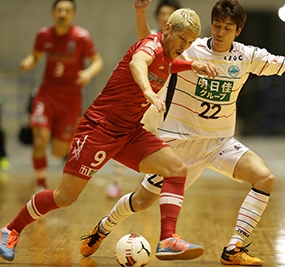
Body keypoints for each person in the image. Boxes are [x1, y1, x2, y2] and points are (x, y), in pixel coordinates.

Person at [81, 0, 285, 265]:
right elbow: (153, 50)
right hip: (180, 142)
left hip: (220, 142)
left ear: (238, 31)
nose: (220, 32)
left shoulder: (248, 56)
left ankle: (234, 248)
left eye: (228, 28)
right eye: (217, 25)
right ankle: (103, 228)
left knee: (265, 178)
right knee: (141, 201)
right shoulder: (191, 49)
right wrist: (141, 15)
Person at [0, 7, 219, 263]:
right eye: (182, 39)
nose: (185, 46)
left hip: (129, 131)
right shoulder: (150, 47)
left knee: (176, 168)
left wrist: (193, 63)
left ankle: (168, 239)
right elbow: (139, 63)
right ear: (167, 30)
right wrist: (148, 91)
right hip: (99, 129)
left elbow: (170, 64)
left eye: (191, 42)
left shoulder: (169, 55)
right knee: (65, 197)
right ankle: (11, 229)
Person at [19, 0, 103, 193]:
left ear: (72, 15)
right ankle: (40, 185)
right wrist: (27, 63)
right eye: (59, 10)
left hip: (70, 99)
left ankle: (57, 133)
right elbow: (35, 56)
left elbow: (97, 61)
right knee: (39, 140)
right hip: (46, 94)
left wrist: (88, 73)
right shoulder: (43, 35)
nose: (62, 14)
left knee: (58, 151)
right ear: (53, 13)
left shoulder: (82, 37)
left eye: (67, 11)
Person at [106, 0, 183, 199]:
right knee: (124, 136)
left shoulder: (183, 42)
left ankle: (146, 184)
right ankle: (116, 183)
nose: (166, 17)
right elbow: (143, 44)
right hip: (145, 96)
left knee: (157, 144)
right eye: (163, 13)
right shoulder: (155, 40)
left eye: (170, 14)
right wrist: (140, 12)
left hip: (167, 100)